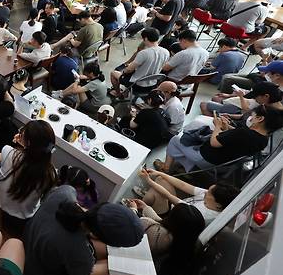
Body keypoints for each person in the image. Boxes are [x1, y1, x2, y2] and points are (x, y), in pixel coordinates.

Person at [23, 187, 144, 275]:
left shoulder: (66, 192)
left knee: (105, 256)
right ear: (97, 235)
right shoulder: (78, 251)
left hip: (32, 242)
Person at [155, 104, 283, 173]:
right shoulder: (263, 139)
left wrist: (217, 126)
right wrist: (226, 127)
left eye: (253, 116)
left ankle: (166, 168)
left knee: (176, 140)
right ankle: (184, 165)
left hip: (208, 159)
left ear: (260, 119)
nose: (250, 118)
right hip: (225, 162)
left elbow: (215, 142)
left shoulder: (245, 133)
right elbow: (238, 138)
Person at [0, 120, 57, 237]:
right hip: (22, 220)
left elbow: (16, 159)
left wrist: (18, 146)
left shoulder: (9, 152)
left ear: (27, 142)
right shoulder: (51, 173)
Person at [127, 199, 205, 275]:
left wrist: (133, 209)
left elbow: (129, 224)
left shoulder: (158, 233)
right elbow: (162, 222)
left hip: (143, 274)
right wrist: (145, 207)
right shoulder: (186, 242)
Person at [133, 168, 240, 224]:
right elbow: (183, 185)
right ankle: (146, 200)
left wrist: (148, 180)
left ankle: (137, 207)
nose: (206, 192)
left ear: (218, 204)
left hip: (168, 219)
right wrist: (160, 173)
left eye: (209, 193)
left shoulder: (202, 214)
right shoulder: (212, 198)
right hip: (176, 208)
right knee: (162, 179)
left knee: (155, 193)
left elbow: (168, 195)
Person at [110, 27, 169, 95]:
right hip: (153, 84)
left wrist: (124, 71)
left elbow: (129, 70)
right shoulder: (166, 52)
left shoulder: (144, 53)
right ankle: (126, 92)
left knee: (113, 73)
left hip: (138, 85)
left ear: (146, 38)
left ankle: (118, 93)